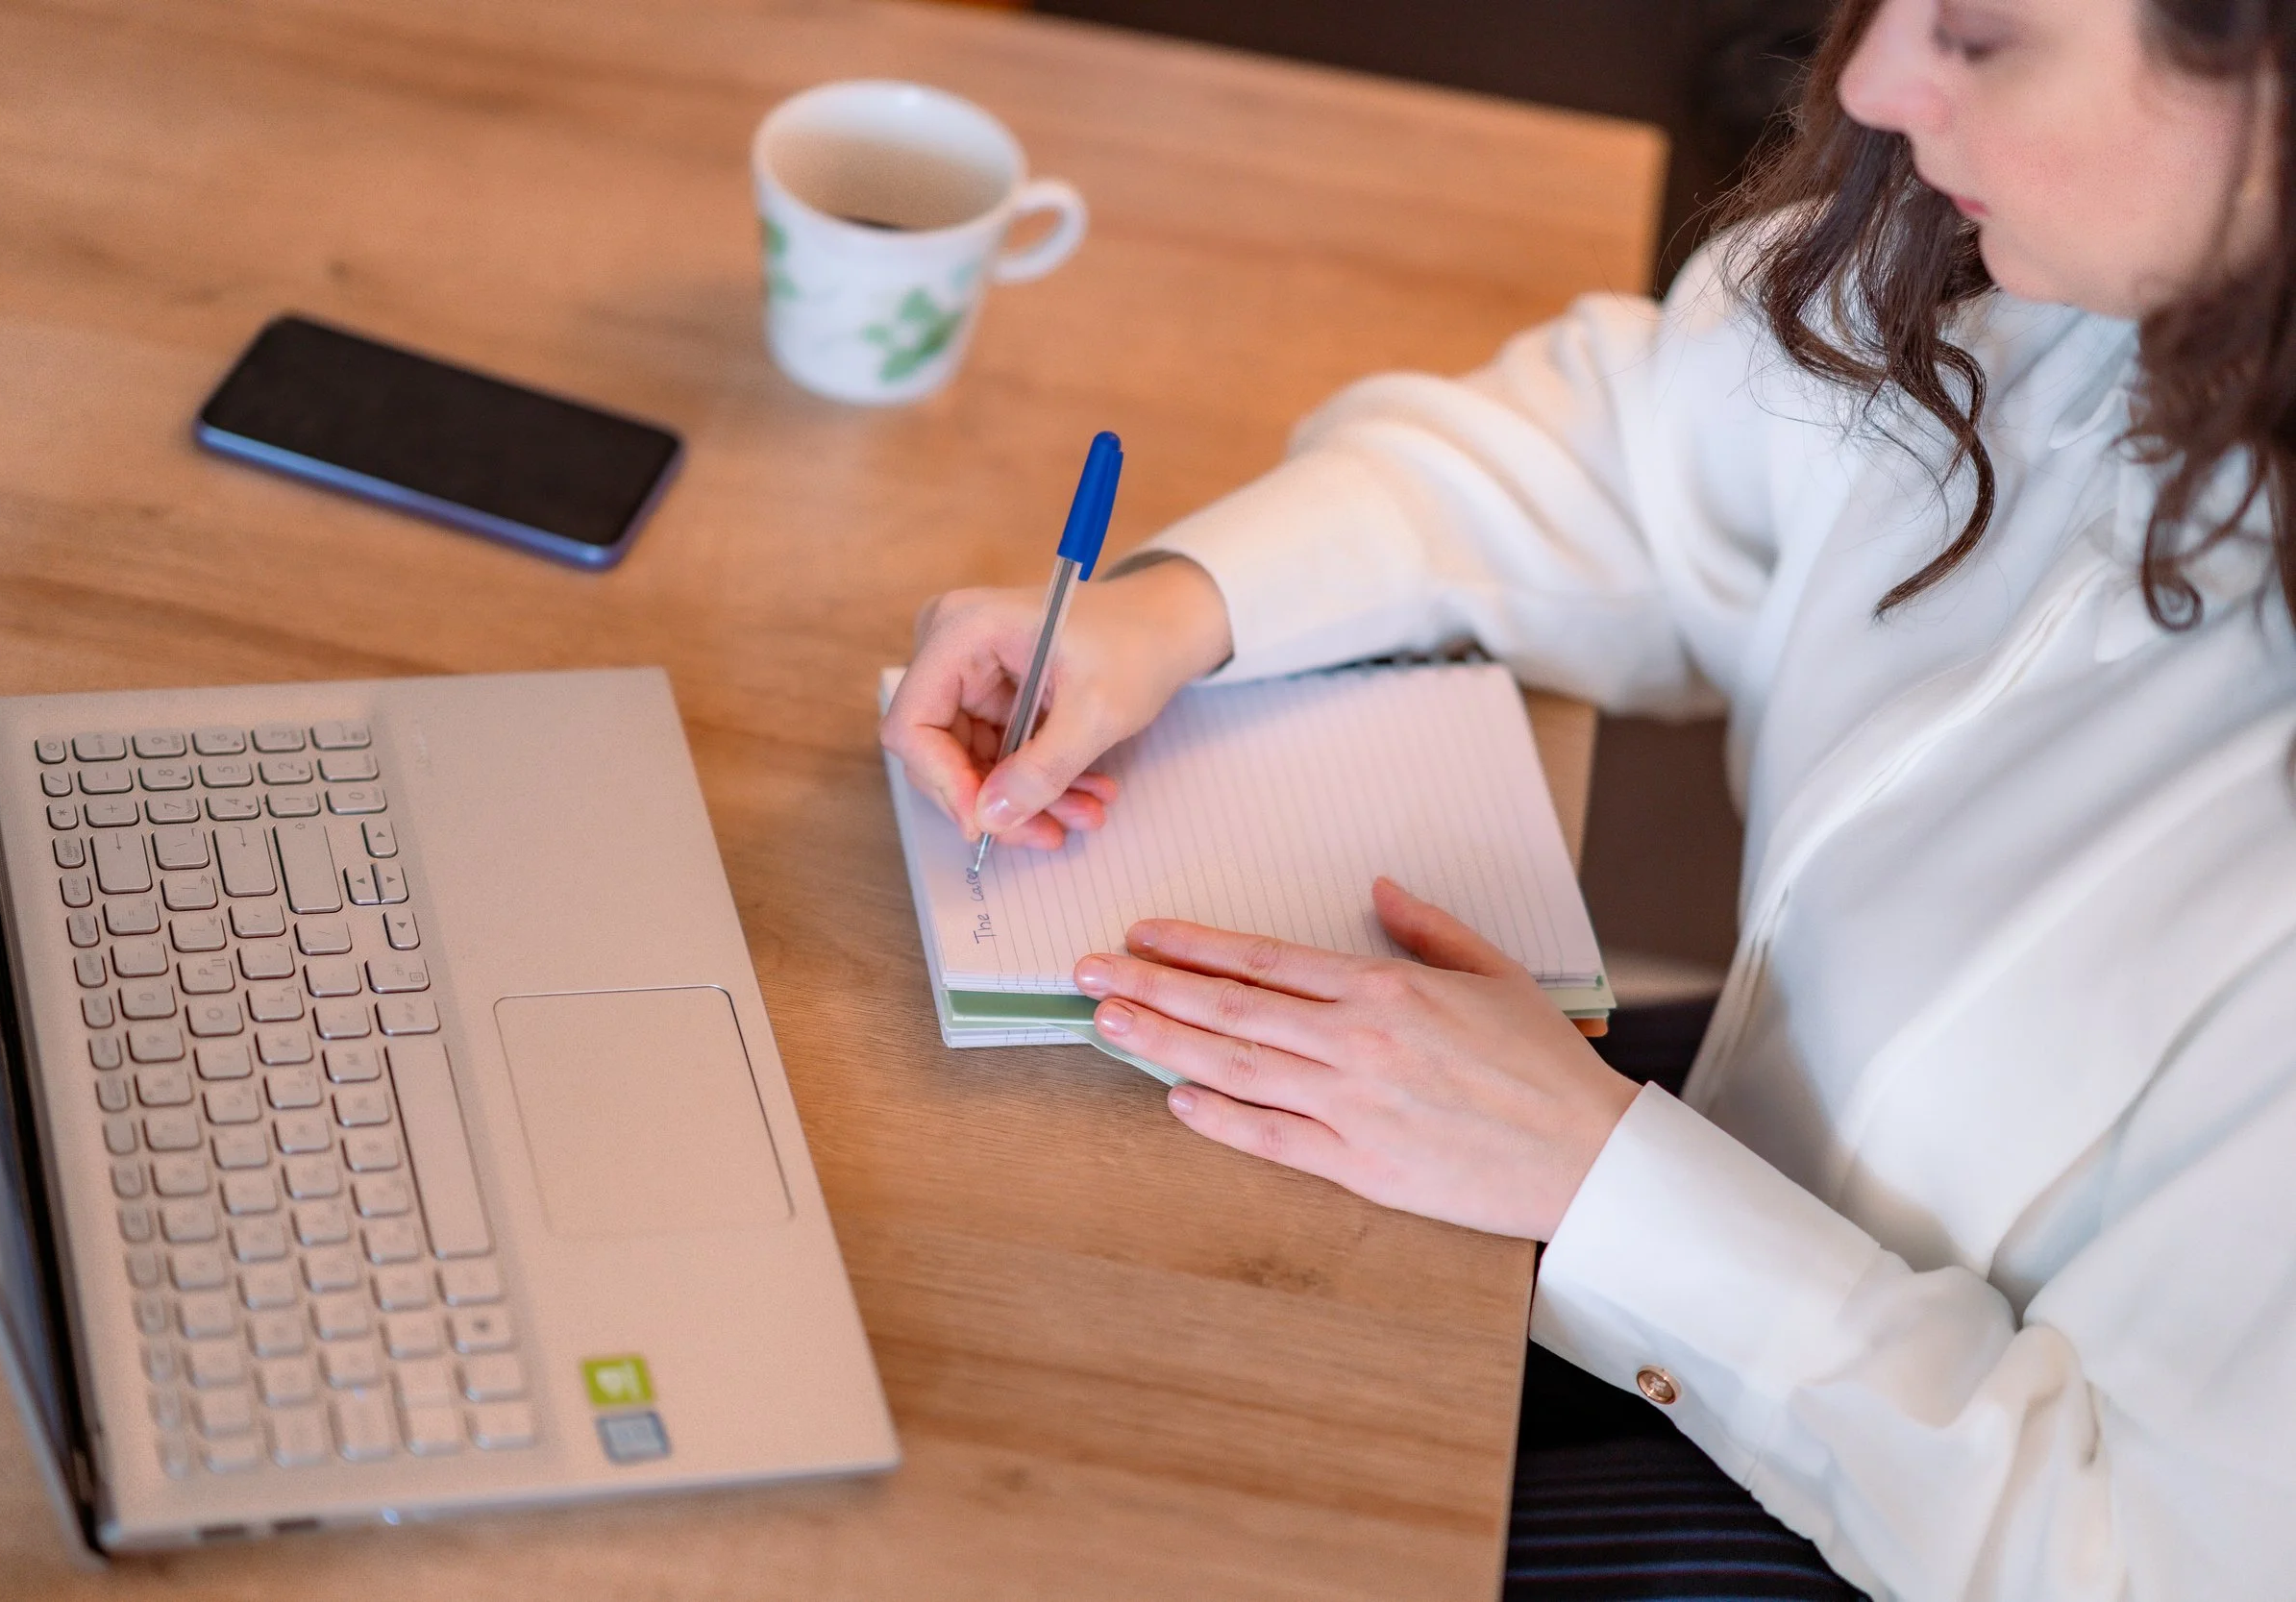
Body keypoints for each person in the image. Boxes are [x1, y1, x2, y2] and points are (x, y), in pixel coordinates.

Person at [878, 0, 2296, 1595]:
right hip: (1739, 1182)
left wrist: (1599, 1176)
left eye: (1980, 36)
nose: (1881, 82)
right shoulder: (2091, 288)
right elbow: (1646, 448)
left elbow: (2130, 1552)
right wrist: (1186, 604)